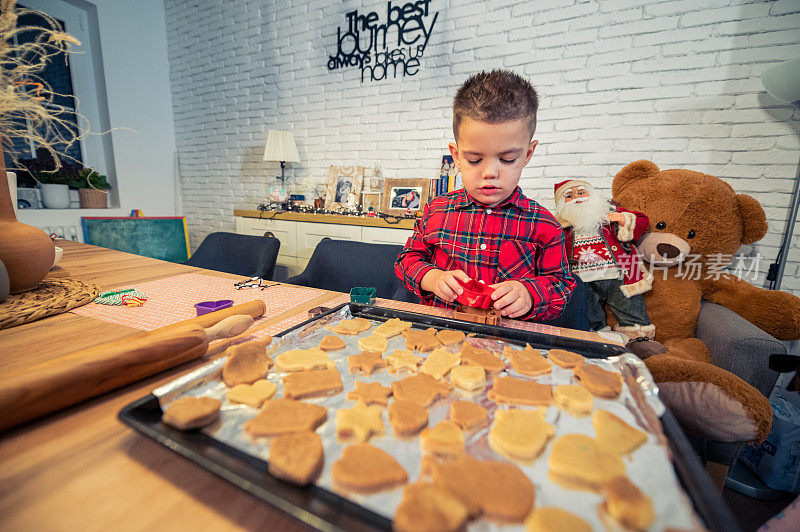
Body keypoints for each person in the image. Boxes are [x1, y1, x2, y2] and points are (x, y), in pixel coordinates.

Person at [395, 70, 575, 320]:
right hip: (441, 336)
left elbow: (561, 285)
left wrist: (529, 293)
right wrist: (432, 278)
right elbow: (407, 260)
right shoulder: (435, 211)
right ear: (457, 156)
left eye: (508, 159)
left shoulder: (546, 225)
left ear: (528, 154)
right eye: (474, 159)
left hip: (509, 343)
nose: (490, 172)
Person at [553, 179, 655, 338]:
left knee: (630, 309)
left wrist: (623, 219)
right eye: (569, 196)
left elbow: (642, 220)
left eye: (581, 192)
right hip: (583, 280)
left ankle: (640, 341)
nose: (577, 198)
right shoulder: (559, 227)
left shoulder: (608, 213)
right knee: (589, 315)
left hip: (619, 276)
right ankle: (598, 342)